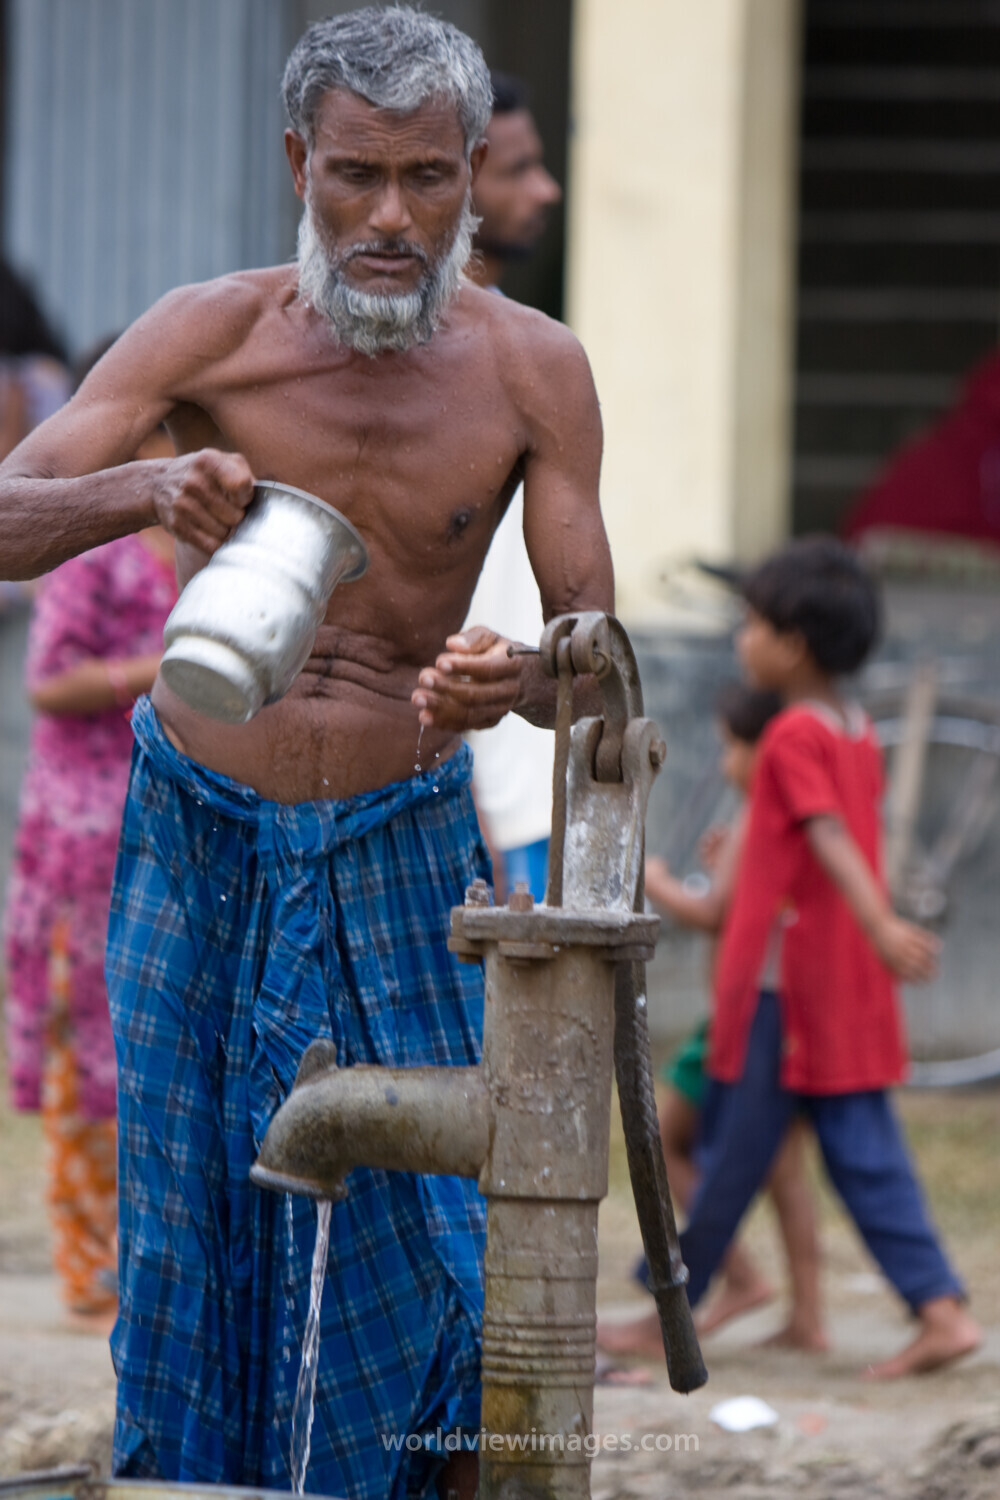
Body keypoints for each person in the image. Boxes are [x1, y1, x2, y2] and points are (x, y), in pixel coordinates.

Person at [0, 10, 613, 1500]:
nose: (390, 218)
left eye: (426, 177)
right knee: (189, 1231)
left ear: (476, 172)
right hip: (197, 832)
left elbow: (602, 682)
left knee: (446, 1255)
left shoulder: (534, 373)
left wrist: (516, 678)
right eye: (354, 176)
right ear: (299, 162)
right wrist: (148, 487)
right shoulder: (208, 332)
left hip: (406, 838)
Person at [675, 536, 981, 1379]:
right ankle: (935, 1306)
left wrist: (881, 922)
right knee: (799, 1151)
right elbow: (824, 836)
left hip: (792, 992)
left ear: (793, 643)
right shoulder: (852, 730)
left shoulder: (791, 737)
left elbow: (830, 834)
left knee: (741, 1152)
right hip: (833, 984)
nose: (742, 640)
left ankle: (670, 1312)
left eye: (750, 624)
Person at [2, 335, 176, 1328]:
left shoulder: (194, 541)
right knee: (85, 1054)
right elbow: (45, 680)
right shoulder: (89, 548)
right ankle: (85, 1263)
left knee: (151, 1053)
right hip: (80, 838)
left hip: (160, 835)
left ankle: (148, 1259)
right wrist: (158, 674)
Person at [599, 683, 826, 1363]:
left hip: (744, 1013)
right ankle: (807, 1317)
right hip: (769, 1010)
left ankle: (737, 1278)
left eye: (733, 747)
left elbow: (714, 914)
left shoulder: (764, 809)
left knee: (668, 1134)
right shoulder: (782, 817)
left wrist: (659, 881)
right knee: (783, 1168)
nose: (726, 761)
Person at [463, 71, 563, 900]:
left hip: (528, 780)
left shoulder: (532, 351)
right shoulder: (421, 363)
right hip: (468, 792)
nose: (547, 189)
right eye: (518, 169)